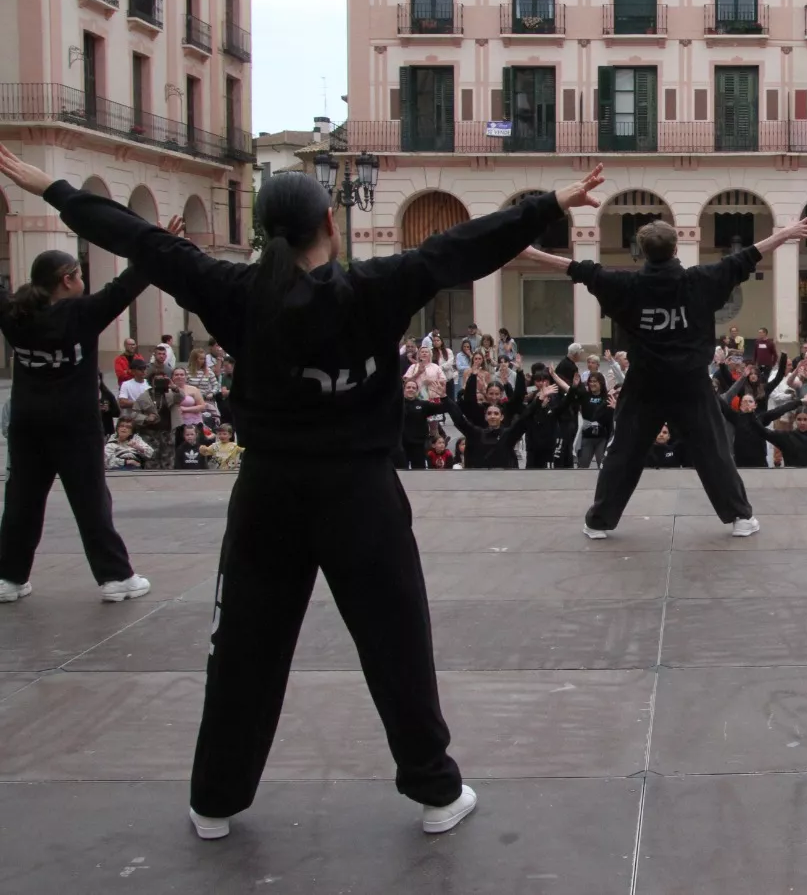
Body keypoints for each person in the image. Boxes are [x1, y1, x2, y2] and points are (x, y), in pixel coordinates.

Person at [0, 140, 605, 840]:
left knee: (245, 650)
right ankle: (436, 791)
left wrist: (55, 190)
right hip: (361, 495)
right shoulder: (378, 286)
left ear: (266, 232)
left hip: (268, 495)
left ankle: (216, 800)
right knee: (395, 642)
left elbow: (137, 238)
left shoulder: (233, 291)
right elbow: (463, 247)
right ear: (331, 223)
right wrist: (551, 203)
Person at [521, 211, 807, 540]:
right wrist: (786, 232)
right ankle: (740, 517)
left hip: (644, 383)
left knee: (624, 452)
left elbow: (575, 269)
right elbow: (747, 256)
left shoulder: (625, 285)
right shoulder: (701, 280)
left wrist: (527, 252)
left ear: (642, 250)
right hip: (690, 384)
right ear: (676, 249)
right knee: (713, 451)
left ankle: (598, 521)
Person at [0, 243, 154, 603]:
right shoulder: (83, 313)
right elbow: (128, 284)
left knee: (22, 498)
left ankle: (9, 577)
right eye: (79, 274)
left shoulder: (13, 313)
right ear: (67, 280)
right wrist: (156, 243)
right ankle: (115, 577)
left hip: (27, 422)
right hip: (75, 424)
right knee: (90, 500)